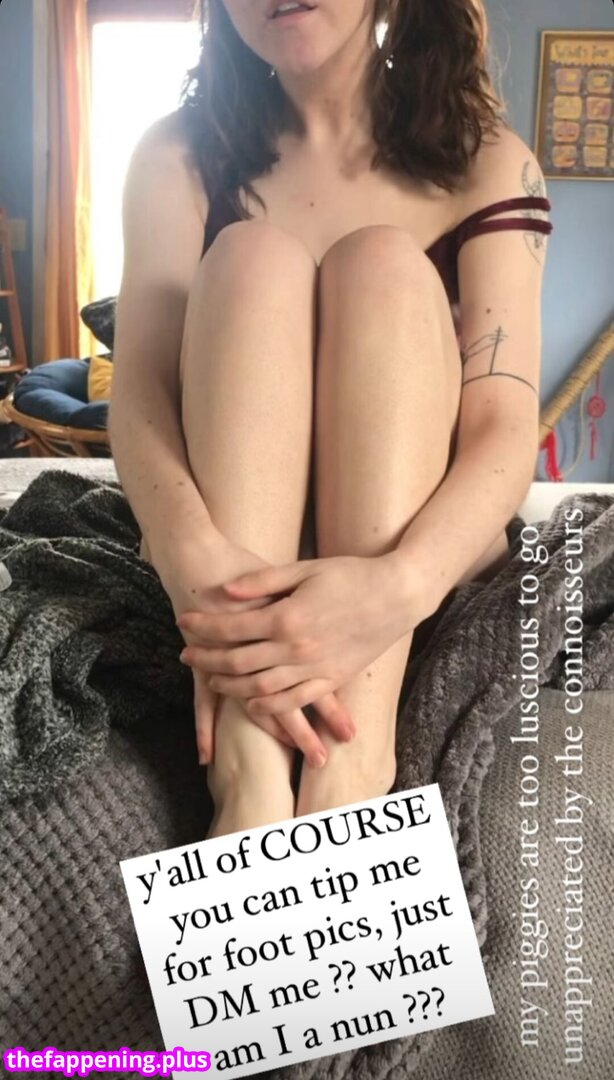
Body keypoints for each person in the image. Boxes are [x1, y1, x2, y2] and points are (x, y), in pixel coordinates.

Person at [109, 0, 552, 839]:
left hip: (415, 558)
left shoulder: (490, 161)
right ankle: (249, 768)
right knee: (251, 257)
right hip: (236, 551)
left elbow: (503, 426)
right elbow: (139, 394)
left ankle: (352, 758)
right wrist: (192, 560)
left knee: (382, 264)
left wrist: (401, 586)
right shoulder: (177, 155)